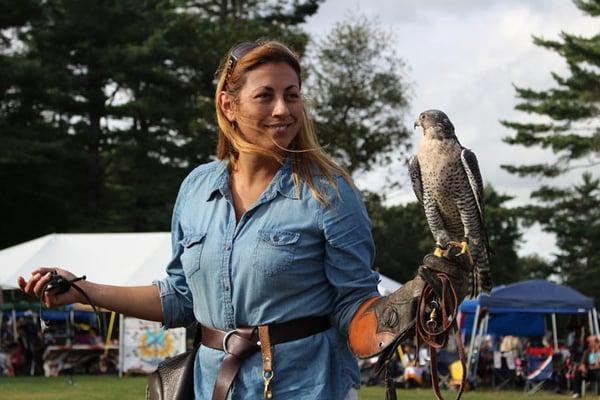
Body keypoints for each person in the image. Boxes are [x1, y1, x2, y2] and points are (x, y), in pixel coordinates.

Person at [18, 40, 470, 399]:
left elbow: (353, 309)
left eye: (292, 96)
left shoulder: (330, 191)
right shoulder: (196, 189)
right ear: (228, 105)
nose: (283, 109)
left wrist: (409, 307)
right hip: (207, 387)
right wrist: (81, 289)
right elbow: (179, 297)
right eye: (266, 96)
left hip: (305, 389)